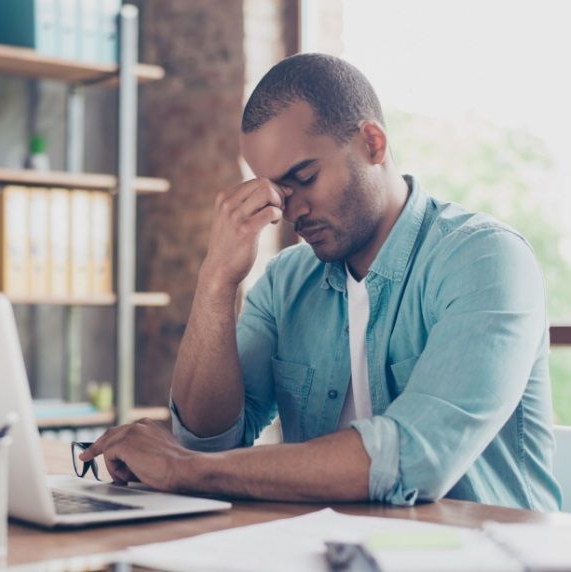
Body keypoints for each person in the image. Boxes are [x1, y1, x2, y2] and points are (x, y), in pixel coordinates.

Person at [82, 54, 561, 510]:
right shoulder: (285, 280)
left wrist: (187, 469)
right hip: (325, 551)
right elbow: (209, 438)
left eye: (305, 178)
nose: (289, 212)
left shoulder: (483, 259)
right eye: (274, 191)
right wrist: (215, 281)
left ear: (373, 143)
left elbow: (416, 459)